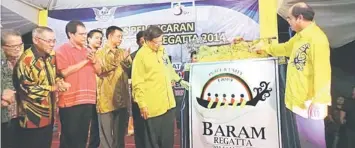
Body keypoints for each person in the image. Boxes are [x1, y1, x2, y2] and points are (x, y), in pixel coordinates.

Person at [251, 2, 331, 148]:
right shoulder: (300, 37)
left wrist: (319, 100)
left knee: (316, 143)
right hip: (298, 101)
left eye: (290, 18)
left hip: (310, 103)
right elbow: (286, 48)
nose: (288, 22)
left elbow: (323, 71)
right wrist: (265, 47)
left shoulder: (317, 39)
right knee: (305, 142)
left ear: (299, 18)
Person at [132, 25, 189, 148]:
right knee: (153, 142)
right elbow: (137, 82)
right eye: (156, 42)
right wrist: (142, 104)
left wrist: (179, 80)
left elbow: (168, 68)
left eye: (161, 41)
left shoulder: (162, 50)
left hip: (168, 104)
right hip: (153, 107)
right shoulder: (141, 56)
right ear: (147, 40)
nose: (159, 44)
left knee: (168, 141)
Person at [13, 26, 71, 148]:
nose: (52, 44)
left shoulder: (50, 57)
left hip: (49, 116)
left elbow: (54, 75)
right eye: (48, 41)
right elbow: (26, 89)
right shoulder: (26, 61)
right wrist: (53, 88)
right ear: (36, 40)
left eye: (54, 41)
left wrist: (59, 82)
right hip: (32, 119)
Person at [56, 20, 101, 148]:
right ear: (71, 34)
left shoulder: (88, 50)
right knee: (69, 138)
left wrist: (94, 60)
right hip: (70, 101)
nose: (84, 37)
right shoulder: (62, 50)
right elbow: (64, 72)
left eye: (85, 34)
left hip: (88, 100)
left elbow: (99, 70)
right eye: (81, 34)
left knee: (83, 138)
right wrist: (85, 61)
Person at [95, 26, 131, 148]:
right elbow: (101, 70)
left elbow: (129, 69)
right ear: (110, 36)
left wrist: (127, 60)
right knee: (106, 138)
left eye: (122, 37)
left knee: (120, 136)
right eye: (118, 36)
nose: (121, 39)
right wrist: (120, 59)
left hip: (122, 99)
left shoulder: (122, 52)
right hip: (106, 100)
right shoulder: (100, 53)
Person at [1, 30, 23, 148]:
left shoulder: (21, 62)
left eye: (19, 45)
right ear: (3, 47)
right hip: (4, 117)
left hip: (19, 116)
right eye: (13, 46)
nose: (17, 48)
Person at [128, 30, 146, 148]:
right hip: (138, 96)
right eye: (142, 41)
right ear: (138, 42)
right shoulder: (133, 56)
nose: (145, 43)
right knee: (139, 126)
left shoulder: (155, 54)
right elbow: (129, 76)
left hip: (152, 95)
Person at [87, 29, 103, 148]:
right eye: (96, 37)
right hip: (87, 95)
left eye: (101, 38)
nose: (99, 40)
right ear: (89, 39)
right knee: (88, 126)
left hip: (99, 95)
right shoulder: (84, 53)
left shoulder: (100, 54)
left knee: (96, 126)